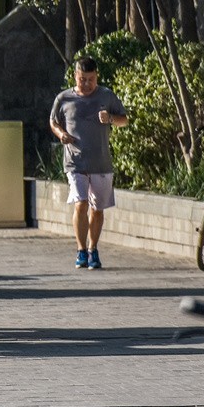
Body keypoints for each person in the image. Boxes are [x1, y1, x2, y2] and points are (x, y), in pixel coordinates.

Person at [50, 57, 128, 270]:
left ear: (97, 77)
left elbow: (124, 119)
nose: (86, 84)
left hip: (101, 163)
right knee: (81, 203)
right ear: (75, 76)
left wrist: (110, 118)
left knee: (97, 209)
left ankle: (93, 249)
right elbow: (53, 121)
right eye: (82, 79)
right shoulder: (64, 98)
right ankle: (81, 250)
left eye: (91, 79)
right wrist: (61, 134)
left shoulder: (106, 96)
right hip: (75, 161)